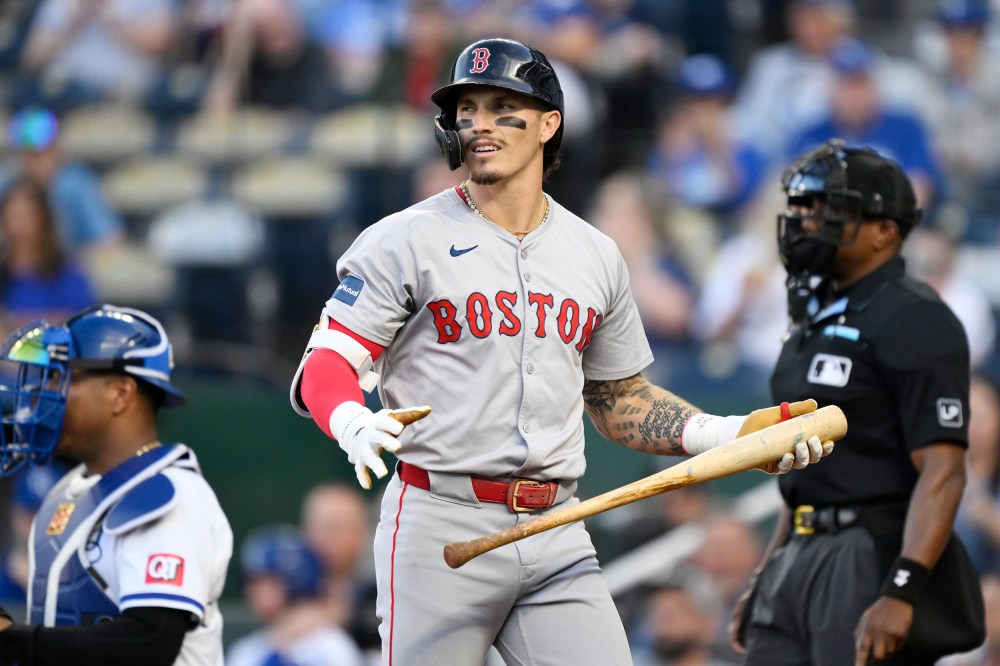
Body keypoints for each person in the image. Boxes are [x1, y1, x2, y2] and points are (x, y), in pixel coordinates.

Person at [289, 37, 833, 665]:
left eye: (501, 106)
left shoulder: (594, 254)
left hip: (557, 525)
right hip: (441, 520)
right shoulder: (402, 240)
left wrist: (732, 433)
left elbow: (618, 401)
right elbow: (325, 364)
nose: (479, 124)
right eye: (467, 109)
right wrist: (350, 417)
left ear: (549, 124)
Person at [730, 140, 985, 666]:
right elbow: (806, 470)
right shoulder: (814, 313)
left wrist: (902, 587)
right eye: (801, 207)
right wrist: (769, 567)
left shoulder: (916, 318)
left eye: (828, 209)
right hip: (800, 542)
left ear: (884, 231)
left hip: (867, 550)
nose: (805, 220)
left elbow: (944, 469)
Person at [0, 304, 233, 665]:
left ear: (122, 393)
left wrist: (12, 642)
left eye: (63, 377)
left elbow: (150, 639)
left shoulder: (169, 494)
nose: (42, 392)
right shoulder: (66, 491)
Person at [226, 524, 366, 666]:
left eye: (263, 580)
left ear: (295, 579)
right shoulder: (246, 651)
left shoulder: (329, 645)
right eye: (250, 582)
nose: (252, 591)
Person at [1, 106, 125, 260]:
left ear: (56, 150)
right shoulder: (8, 183)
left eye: (40, 153)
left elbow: (110, 240)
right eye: (26, 154)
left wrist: (64, 266)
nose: (33, 162)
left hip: (70, 273)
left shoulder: (75, 183)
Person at [0, 179, 97, 338]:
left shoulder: (66, 271)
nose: (18, 226)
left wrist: (15, 324)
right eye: (12, 217)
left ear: (43, 219)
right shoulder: (4, 274)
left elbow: (80, 323)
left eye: (26, 216)